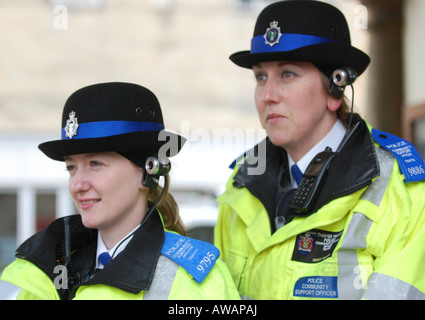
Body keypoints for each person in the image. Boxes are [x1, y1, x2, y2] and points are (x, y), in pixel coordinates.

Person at [214, 0, 425, 300]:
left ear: (335, 90)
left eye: (287, 74)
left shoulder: (402, 193)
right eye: (260, 77)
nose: (267, 96)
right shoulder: (241, 183)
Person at [1, 82, 240, 300]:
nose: (77, 185)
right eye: (71, 168)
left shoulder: (199, 284)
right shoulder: (47, 267)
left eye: (95, 164)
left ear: (147, 172)